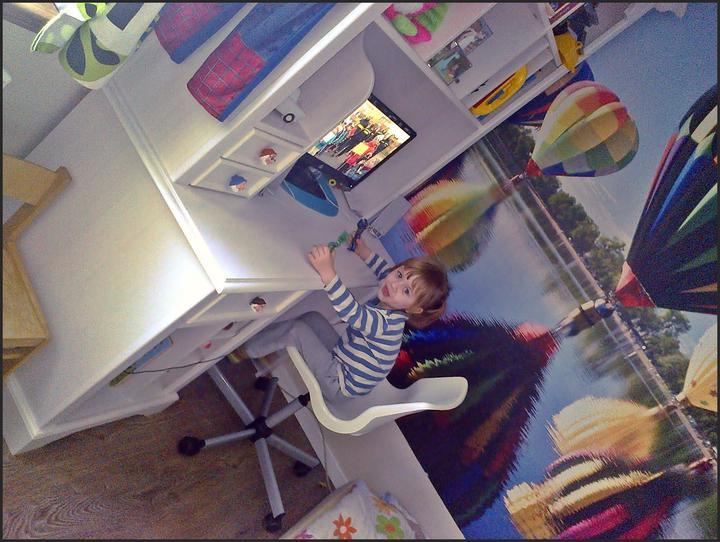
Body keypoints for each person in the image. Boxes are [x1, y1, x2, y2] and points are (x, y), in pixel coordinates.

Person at [236, 234, 450, 401]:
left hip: (339, 383)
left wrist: (327, 272)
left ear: (415, 309)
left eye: (406, 291)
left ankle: (241, 351)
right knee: (312, 318)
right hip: (343, 360)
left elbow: (351, 312)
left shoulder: (386, 324)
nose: (394, 284)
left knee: (296, 330)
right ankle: (266, 351)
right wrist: (363, 251)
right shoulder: (393, 295)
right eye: (400, 275)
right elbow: (385, 271)